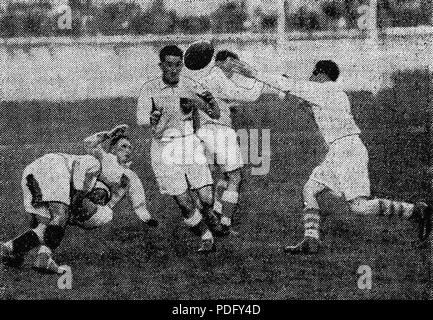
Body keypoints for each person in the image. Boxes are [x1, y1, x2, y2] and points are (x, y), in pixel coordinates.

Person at [231, 59, 432, 254]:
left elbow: (287, 84)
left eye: (312, 73)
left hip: (347, 151)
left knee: (359, 207)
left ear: (320, 73)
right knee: (309, 190)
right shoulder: (336, 93)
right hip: (340, 150)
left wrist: (254, 73)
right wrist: (307, 104)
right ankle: (311, 240)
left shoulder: (322, 90)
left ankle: (416, 211)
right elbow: (320, 115)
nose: (310, 77)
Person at [136, 45, 222, 252]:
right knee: (184, 202)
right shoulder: (150, 88)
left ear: (182, 65)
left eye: (177, 65)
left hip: (190, 143)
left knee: (207, 198)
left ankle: (208, 213)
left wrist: (207, 101)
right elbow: (140, 119)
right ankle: (205, 236)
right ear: (161, 65)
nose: (173, 70)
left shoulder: (191, 84)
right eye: (168, 65)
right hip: (164, 148)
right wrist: (152, 117)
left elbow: (215, 113)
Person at [197, 50, 269, 234]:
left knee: (219, 176)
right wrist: (260, 79)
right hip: (219, 131)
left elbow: (214, 102)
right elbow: (251, 95)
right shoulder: (219, 78)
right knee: (235, 177)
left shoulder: (208, 78)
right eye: (234, 64)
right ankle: (225, 224)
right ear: (226, 61)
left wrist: (228, 108)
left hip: (203, 131)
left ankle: (214, 213)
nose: (236, 68)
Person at [0, 151, 101, 273]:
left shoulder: (88, 177)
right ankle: (44, 259)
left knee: (45, 226)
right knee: (60, 216)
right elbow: (79, 182)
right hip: (54, 167)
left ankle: (9, 248)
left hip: (31, 171)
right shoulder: (95, 163)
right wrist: (72, 210)